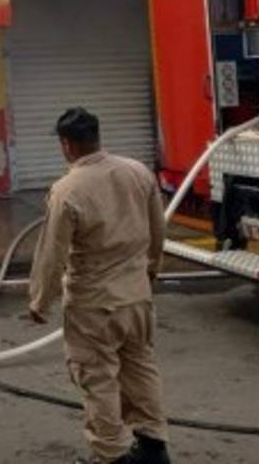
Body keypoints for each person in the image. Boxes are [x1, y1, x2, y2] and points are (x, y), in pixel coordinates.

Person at [27, 107, 170, 464]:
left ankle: (112, 456)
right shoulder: (138, 172)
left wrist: (40, 302)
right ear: (97, 137)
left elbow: (51, 254)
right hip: (136, 298)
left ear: (66, 145)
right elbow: (158, 231)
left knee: (97, 378)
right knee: (140, 369)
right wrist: (150, 272)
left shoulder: (67, 189)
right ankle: (154, 448)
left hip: (94, 306)